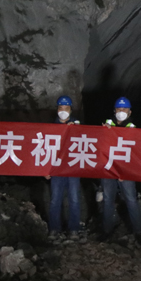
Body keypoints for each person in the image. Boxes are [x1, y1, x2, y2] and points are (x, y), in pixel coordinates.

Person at [100, 97, 141, 243]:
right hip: (109, 169)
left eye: (124, 110)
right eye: (119, 109)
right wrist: (102, 132)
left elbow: (137, 151)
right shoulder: (106, 125)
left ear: (129, 112)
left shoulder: (132, 127)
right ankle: (107, 231)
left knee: (131, 199)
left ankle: (138, 232)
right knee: (107, 200)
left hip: (126, 171)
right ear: (114, 111)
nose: (121, 112)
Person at [46, 95, 83, 240]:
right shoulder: (51, 128)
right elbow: (46, 150)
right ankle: (54, 228)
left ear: (71, 109)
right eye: (60, 108)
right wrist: (46, 169)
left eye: (66, 108)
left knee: (74, 199)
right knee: (55, 199)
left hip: (73, 168)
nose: (63, 110)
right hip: (56, 169)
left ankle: (74, 229)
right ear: (57, 109)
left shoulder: (78, 126)